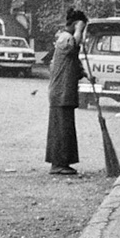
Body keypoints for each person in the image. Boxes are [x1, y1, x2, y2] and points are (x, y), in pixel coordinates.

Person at [45, 12, 87, 176]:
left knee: (66, 129)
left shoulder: (69, 39)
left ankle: (64, 162)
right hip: (60, 92)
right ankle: (58, 164)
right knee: (60, 129)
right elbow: (72, 47)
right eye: (81, 28)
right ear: (76, 24)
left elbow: (74, 62)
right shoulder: (65, 38)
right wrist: (79, 29)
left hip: (66, 92)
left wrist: (85, 74)